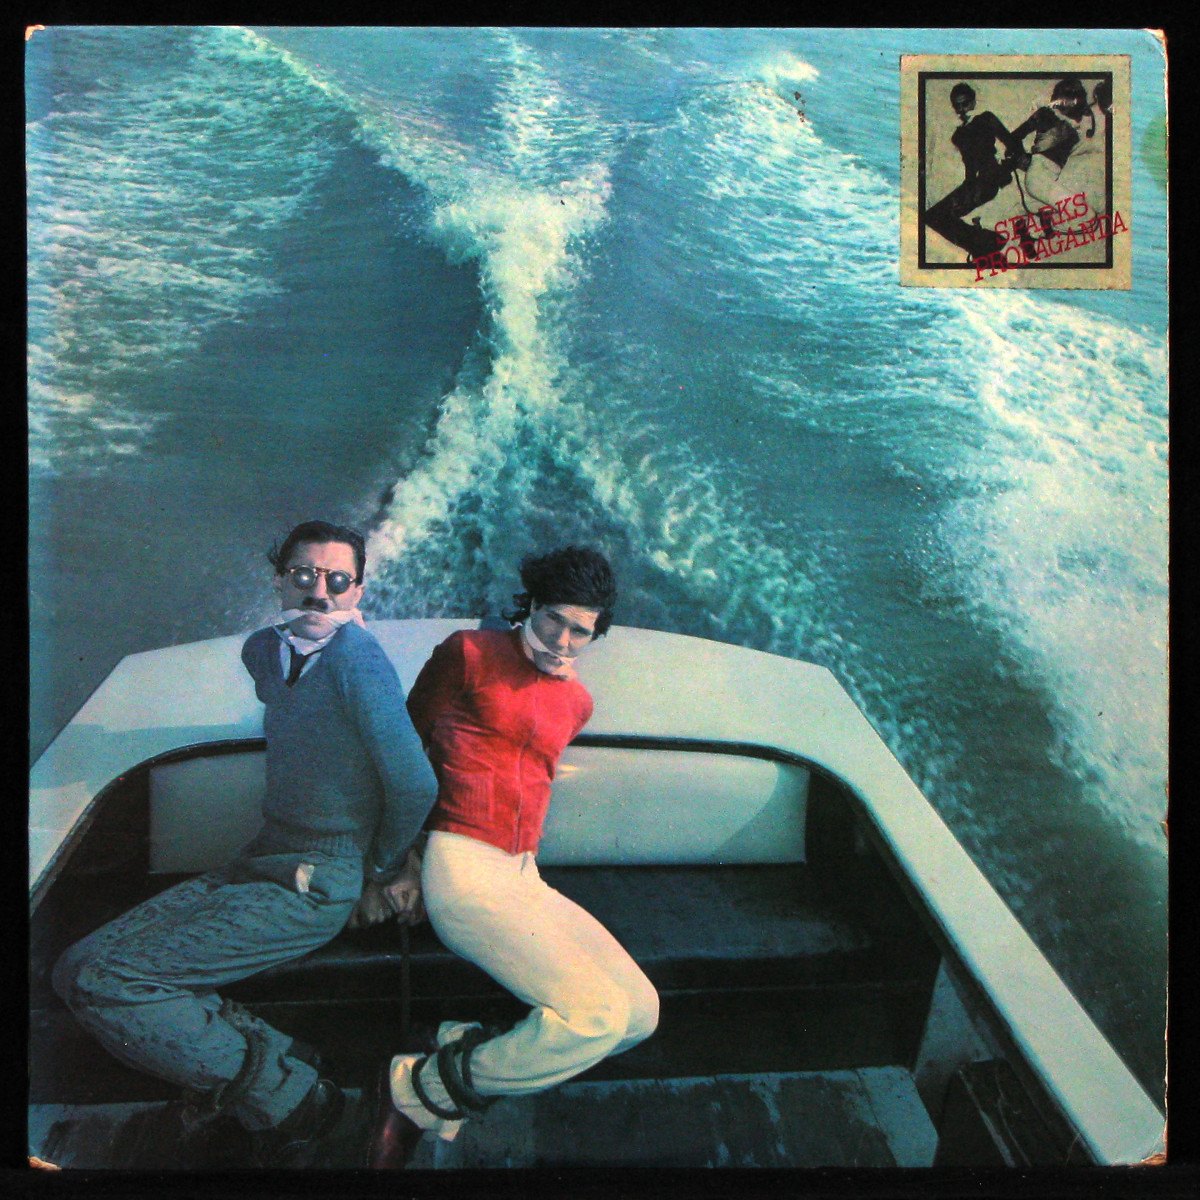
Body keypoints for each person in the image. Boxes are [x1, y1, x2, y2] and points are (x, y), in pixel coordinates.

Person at [52, 520, 439, 1168]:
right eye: (304, 575)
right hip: (259, 859)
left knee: (107, 980)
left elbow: (414, 783)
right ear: (280, 580)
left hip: (315, 882)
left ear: (357, 592)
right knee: (75, 967)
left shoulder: (358, 661)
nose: (319, 592)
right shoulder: (264, 651)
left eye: (337, 580)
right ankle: (279, 1061)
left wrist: (380, 869)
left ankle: (302, 1102)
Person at [368, 546, 659, 1167]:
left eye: (581, 631)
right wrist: (402, 859)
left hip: (525, 875)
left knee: (639, 1014)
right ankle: (417, 1092)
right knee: (594, 1017)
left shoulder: (577, 702)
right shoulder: (467, 654)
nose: (562, 640)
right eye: (553, 618)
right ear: (531, 605)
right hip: (461, 864)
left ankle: (456, 1055)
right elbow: (403, 754)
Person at [923, 82, 1025, 259]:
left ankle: (986, 244)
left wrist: (1005, 167)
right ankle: (987, 242)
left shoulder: (986, 119)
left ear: (973, 102)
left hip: (989, 181)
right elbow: (969, 168)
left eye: (965, 103)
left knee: (934, 217)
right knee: (933, 216)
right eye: (957, 106)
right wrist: (967, 187)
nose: (961, 109)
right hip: (974, 184)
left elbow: (1012, 143)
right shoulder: (958, 135)